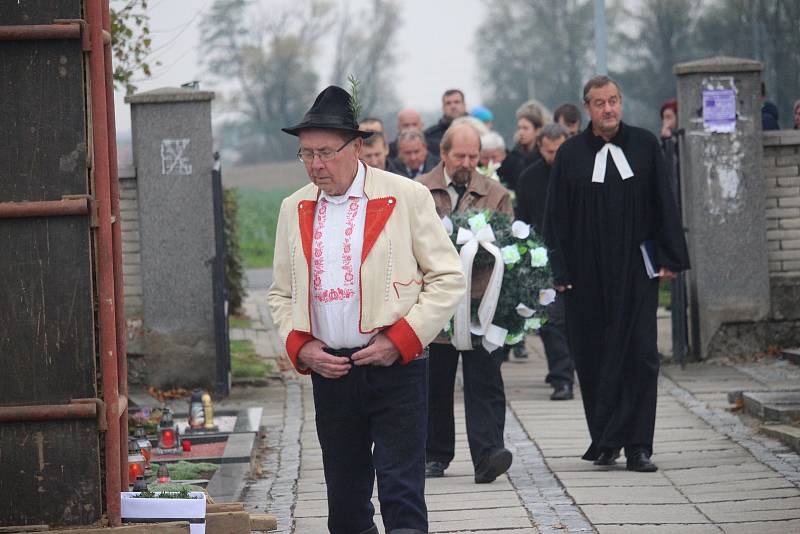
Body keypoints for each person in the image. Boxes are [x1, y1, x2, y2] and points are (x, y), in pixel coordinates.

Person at [267, 85, 466, 534]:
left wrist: (401, 340)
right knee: (345, 498)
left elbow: (448, 277)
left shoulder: (405, 196)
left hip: (398, 368)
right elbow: (280, 293)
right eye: (306, 154)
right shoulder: (292, 206)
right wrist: (301, 347)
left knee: (401, 492)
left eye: (325, 153)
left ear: (357, 147)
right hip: (331, 371)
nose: (316, 165)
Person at [543, 75, 690, 473]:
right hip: (585, 274)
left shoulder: (644, 145)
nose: (608, 109)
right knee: (593, 353)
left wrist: (669, 257)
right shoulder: (571, 154)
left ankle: (640, 445)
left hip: (636, 268)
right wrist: (559, 269)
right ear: (587, 108)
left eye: (614, 101)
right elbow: (555, 217)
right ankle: (605, 441)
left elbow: (664, 201)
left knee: (641, 354)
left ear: (620, 103)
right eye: (599, 102)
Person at [417, 122, 515, 484]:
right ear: (443, 154)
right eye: (460, 155)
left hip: (481, 306)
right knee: (434, 383)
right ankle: (433, 453)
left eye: (474, 156)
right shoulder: (421, 191)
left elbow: (508, 246)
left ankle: (489, 453)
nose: (467, 162)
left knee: (486, 382)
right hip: (437, 305)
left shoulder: (496, 193)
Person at [515, 123, 575, 400]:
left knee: (578, 323)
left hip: (579, 257)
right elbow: (524, 222)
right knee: (551, 322)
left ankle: (576, 370)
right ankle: (562, 378)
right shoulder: (530, 178)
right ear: (540, 148)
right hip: (543, 258)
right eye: (549, 151)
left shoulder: (578, 172)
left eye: (560, 150)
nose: (555, 156)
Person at [498, 100, 546, 192]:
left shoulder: (543, 155)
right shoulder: (512, 156)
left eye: (525, 128)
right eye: (519, 128)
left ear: (537, 130)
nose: (521, 132)